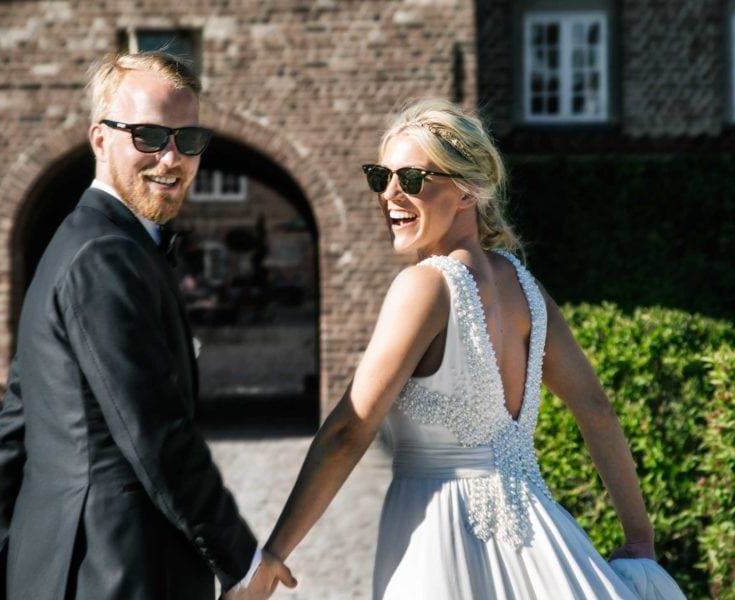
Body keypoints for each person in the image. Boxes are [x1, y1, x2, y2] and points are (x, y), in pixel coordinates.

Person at [263, 99, 683, 599]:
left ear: (467, 191)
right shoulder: (526, 288)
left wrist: (273, 555)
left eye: (412, 179)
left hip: (440, 541)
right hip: (545, 542)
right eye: (381, 176)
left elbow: (348, 430)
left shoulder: (424, 286)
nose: (390, 194)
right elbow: (595, 407)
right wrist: (639, 538)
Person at [0, 51, 295, 600]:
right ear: (100, 139)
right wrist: (240, 562)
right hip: (119, 570)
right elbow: (155, 432)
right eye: (148, 136)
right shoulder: (106, 255)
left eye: (188, 140)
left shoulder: (79, 242)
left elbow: (12, 427)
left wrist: (3, 565)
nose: (171, 158)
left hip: (59, 569)